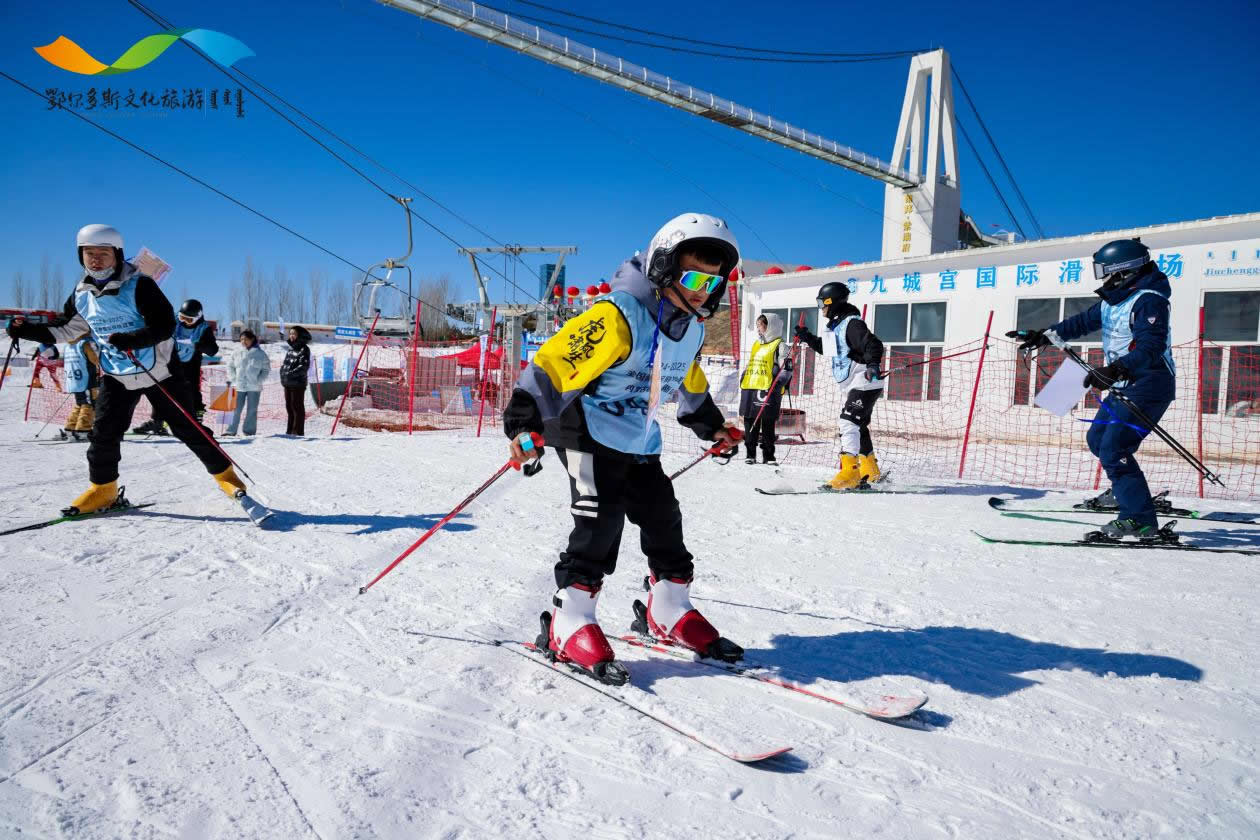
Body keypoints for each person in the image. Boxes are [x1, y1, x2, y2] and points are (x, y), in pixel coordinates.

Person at [503, 212, 745, 684]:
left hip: (637, 436)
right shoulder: (616, 316)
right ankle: (570, 618)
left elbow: (687, 381)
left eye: (714, 282)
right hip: (584, 428)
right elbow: (552, 365)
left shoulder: (691, 328)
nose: (703, 291)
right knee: (601, 518)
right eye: (694, 278)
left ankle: (669, 607)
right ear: (663, 268)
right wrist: (522, 424)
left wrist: (712, 427)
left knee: (663, 516)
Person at [6, 224, 246, 514]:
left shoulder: (140, 285)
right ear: (81, 256)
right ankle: (103, 489)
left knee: (187, 427)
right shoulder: (82, 294)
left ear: (117, 255)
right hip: (117, 374)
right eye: (89, 254)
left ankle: (226, 476)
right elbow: (66, 329)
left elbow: (164, 326)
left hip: (159, 371)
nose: (96, 260)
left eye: (103, 254)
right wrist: (26, 331)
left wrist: (131, 339)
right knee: (103, 433)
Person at [1007, 238, 1175, 541]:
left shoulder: (1149, 301)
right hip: (1125, 383)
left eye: (1105, 271)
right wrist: (1043, 336)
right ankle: (1125, 491)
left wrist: (1116, 369)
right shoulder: (1114, 301)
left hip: (1149, 384)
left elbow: (1151, 346)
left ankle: (1139, 519)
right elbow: (1079, 323)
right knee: (1098, 439)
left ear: (1124, 270)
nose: (1103, 277)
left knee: (1114, 447)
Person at [794, 281, 886, 489]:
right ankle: (870, 470)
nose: (821, 308)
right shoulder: (836, 326)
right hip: (855, 382)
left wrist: (873, 364)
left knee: (848, 422)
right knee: (858, 425)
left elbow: (873, 344)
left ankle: (850, 472)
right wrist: (807, 337)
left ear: (832, 302)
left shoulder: (852, 324)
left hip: (865, 379)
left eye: (822, 304)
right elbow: (827, 349)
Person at [135, 298, 219, 434]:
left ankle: (195, 422)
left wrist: (199, 344)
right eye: (182, 318)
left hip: (190, 365)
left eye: (189, 320)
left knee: (190, 390)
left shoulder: (203, 329)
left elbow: (213, 350)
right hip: (170, 361)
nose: (184, 322)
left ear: (197, 318)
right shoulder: (173, 321)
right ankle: (158, 421)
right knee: (161, 390)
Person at [738, 313, 792, 465]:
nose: (758, 329)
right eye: (757, 326)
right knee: (750, 421)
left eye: (760, 325)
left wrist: (779, 382)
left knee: (767, 422)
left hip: (768, 389)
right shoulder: (756, 344)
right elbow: (752, 363)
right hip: (751, 387)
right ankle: (750, 454)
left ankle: (768, 456)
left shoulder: (780, 345)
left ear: (770, 326)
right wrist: (743, 376)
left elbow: (787, 369)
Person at [224, 329, 270, 436]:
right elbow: (230, 366)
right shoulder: (236, 352)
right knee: (235, 409)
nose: (243, 341)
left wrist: (258, 380)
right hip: (238, 386)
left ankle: (249, 431)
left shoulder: (261, 354)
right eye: (241, 339)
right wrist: (233, 378)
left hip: (254, 387)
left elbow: (266, 370)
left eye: (246, 339)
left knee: (252, 410)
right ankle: (230, 430)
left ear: (252, 339)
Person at [61, 336, 99, 441]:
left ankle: (70, 428)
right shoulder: (84, 344)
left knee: (80, 404)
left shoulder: (68, 345)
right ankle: (83, 431)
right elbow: (95, 359)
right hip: (87, 380)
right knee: (89, 405)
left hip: (74, 380)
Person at [279, 325, 311, 435]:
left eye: (294, 334)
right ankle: (290, 431)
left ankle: (298, 431)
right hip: (287, 383)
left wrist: (289, 374)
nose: (291, 336)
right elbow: (285, 364)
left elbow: (303, 367)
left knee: (297, 407)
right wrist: (282, 373)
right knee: (289, 407)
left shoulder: (304, 349)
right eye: (290, 333)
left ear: (300, 335)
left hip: (298, 384)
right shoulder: (290, 349)